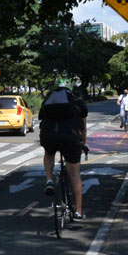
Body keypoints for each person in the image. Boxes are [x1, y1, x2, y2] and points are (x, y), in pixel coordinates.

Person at [39, 83, 88, 220]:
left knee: (49, 153)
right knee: (74, 175)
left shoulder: (47, 101)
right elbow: (83, 127)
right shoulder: (78, 102)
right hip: (71, 137)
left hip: (49, 136)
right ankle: (78, 211)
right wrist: (83, 143)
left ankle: (49, 180)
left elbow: (41, 119)